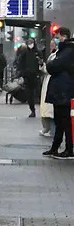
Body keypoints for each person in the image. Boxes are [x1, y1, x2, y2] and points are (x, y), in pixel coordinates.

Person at [44, 27, 74, 158]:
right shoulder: (64, 50)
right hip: (60, 90)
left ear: (64, 36)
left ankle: (69, 149)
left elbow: (53, 66)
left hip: (63, 91)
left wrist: (50, 64)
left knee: (64, 121)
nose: (56, 39)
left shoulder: (68, 50)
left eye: (57, 37)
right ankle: (55, 147)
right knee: (59, 121)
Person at [17, 40, 41, 117]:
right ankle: (32, 109)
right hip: (27, 77)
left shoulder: (38, 53)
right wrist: (22, 73)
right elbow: (21, 64)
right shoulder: (24, 53)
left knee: (38, 92)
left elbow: (41, 63)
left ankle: (39, 108)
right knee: (29, 94)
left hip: (36, 76)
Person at [39, 42, 58, 137]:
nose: (51, 47)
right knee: (46, 108)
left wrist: (44, 66)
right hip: (48, 81)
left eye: (52, 45)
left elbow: (49, 69)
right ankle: (47, 128)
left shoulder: (57, 56)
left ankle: (52, 130)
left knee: (50, 109)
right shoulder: (52, 55)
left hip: (52, 82)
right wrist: (42, 65)